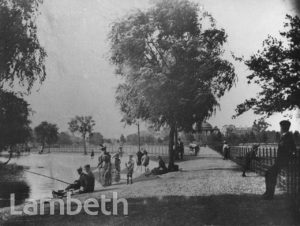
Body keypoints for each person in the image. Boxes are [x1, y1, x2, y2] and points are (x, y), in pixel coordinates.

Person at [262, 120, 297, 200]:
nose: (280, 128)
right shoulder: (284, 136)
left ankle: (270, 195)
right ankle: (268, 192)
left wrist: (289, 157)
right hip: (279, 161)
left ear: (284, 127)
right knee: (268, 173)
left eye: (281, 127)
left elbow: (293, 150)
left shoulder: (289, 137)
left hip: (283, 162)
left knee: (270, 174)